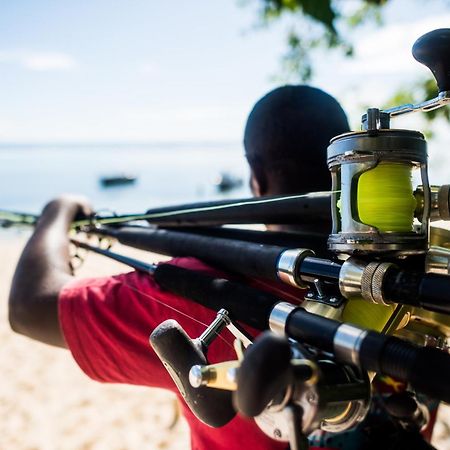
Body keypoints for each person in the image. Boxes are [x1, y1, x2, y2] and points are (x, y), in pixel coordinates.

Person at [9, 85, 387, 450]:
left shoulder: (194, 284)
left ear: (256, 179)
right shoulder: (401, 277)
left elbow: (30, 307)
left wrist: (57, 211)